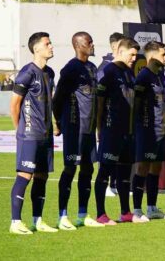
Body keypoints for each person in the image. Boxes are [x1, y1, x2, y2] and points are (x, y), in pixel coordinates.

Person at [53, 32, 103, 230]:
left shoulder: (91, 68)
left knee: (88, 168)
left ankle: (82, 213)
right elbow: (58, 99)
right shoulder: (71, 68)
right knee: (70, 168)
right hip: (75, 127)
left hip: (89, 129)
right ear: (77, 44)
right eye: (89, 41)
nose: (92, 44)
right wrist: (58, 122)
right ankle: (62, 215)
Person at [9, 32, 58, 235]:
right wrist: (19, 130)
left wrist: (53, 124)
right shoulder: (26, 73)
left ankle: (37, 220)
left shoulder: (50, 73)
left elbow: (48, 102)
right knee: (25, 176)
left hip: (45, 135)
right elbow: (14, 105)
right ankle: (15, 222)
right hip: (29, 135)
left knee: (42, 177)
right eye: (47, 43)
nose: (51, 46)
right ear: (36, 49)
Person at [94, 37, 139, 225]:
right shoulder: (108, 71)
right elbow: (99, 102)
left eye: (136, 55)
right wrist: (99, 129)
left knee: (124, 174)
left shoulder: (128, 72)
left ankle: (125, 212)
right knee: (105, 171)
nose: (135, 58)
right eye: (132, 55)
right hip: (111, 131)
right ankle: (101, 214)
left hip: (127, 133)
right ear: (120, 51)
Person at [132, 41, 165, 221]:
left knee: (156, 169)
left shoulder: (160, 75)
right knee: (143, 168)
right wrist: (138, 128)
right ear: (152, 55)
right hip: (147, 130)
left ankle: (152, 207)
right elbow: (137, 105)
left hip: (160, 129)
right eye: (163, 54)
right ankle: (137, 210)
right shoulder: (143, 76)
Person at [97, 32, 125, 197]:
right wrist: (98, 124)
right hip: (108, 119)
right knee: (107, 153)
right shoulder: (106, 68)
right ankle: (106, 185)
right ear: (115, 47)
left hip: (121, 120)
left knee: (119, 154)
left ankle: (114, 185)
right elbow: (100, 97)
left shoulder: (123, 68)